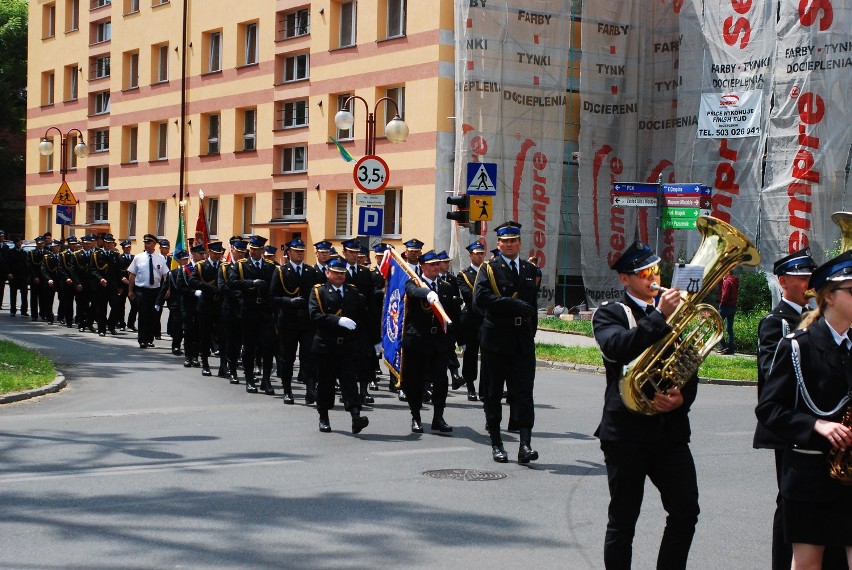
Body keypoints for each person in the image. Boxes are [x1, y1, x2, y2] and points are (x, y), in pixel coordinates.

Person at [591, 239, 699, 570]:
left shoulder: (675, 316)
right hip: (626, 433)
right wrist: (660, 318)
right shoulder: (611, 312)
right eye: (643, 273)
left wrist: (682, 399)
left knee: (685, 512)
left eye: (654, 270)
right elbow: (618, 348)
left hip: (669, 433)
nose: (653, 277)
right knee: (624, 520)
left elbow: (688, 366)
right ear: (625, 279)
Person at [756, 250, 852, 570]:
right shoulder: (798, 344)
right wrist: (816, 425)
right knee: (808, 564)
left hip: (849, 471)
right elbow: (769, 409)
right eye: (851, 290)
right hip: (810, 472)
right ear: (829, 296)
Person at [754, 248, 818, 570]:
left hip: (813, 421)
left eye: (810, 276)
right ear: (782, 281)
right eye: (801, 277)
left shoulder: (815, 317)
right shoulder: (776, 322)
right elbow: (772, 370)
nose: (809, 282)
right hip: (787, 424)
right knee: (788, 501)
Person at [472, 221, 541, 463]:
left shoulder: (530, 270)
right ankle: (497, 444)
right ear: (498, 244)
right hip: (496, 340)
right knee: (492, 394)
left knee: (524, 393)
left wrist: (530, 332)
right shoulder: (489, 268)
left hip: (522, 341)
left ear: (520, 243)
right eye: (505, 241)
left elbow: (532, 306)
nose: (509, 245)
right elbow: (480, 299)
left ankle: (525, 445)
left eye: (514, 241)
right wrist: (512, 304)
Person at [400, 250, 462, 434]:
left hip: (439, 342)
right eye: (432, 264)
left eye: (438, 264)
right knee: (415, 381)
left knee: (441, 381)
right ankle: (416, 416)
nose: (436, 267)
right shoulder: (414, 283)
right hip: (418, 340)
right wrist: (427, 293)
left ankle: (438, 417)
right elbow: (412, 291)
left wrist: (455, 340)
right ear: (423, 266)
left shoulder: (445, 286)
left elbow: (452, 316)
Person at [308, 257, 369, 434]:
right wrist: (337, 320)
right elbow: (314, 315)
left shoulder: (352, 291)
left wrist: (371, 341)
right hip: (326, 345)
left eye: (342, 274)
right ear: (328, 273)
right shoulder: (319, 291)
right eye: (335, 273)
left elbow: (361, 318)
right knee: (326, 383)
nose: (339, 276)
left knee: (349, 381)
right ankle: (324, 417)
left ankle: (356, 417)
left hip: (348, 346)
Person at [270, 238, 320, 404]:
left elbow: (316, 295)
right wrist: (288, 301)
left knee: (309, 356)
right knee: (287, 357)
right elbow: (273, 297)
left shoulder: (310, 271)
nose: (300, 253)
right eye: (296, 250)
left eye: (302, 250)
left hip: (307, 321)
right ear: (289, 252)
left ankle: (310, 389)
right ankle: (287, 390)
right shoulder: (281, 271)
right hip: (288, 321)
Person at [229, 235, 277, 393]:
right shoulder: (242, 265)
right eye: (252, 249)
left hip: (265, 311)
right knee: (249, 346)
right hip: (248, 310)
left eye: (257, 249)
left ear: (262, 250)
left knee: (268, 346)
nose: (253, 252)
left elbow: (274, 287)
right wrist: (251, 283)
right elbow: (233, 282)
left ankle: (266, 380)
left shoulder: (270, 267)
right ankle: (249, 379)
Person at [341, 238, 377, 405]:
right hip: (344, 320)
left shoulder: (364, 272)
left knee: (365, 357)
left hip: (363, 322)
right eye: (351, 252)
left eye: (356, 253)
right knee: (346, 359)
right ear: (344, 253)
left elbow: (371, 300)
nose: (354, 255)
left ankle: (364, 390)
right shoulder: (338, 271)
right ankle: (346, 391)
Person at [127, 234, 170, 349]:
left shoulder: (160, 258)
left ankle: (150, 339)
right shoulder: (138, 257)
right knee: (143, 315)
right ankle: (142, 340)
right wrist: (130, 290)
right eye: (145, 243)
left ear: (154, 244)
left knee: (153, 315)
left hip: (155, 290)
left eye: (148, 243)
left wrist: (168, 289)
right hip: (141, 289)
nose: (146, 245)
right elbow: (132, 274)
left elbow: (166, 275)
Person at [456, 241, 486, 401]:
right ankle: (470, 386)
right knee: (471, 355)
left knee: (488, 355)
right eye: (477, 253)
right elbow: (468, 296)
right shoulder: (464, 275)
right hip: (471, 318)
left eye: (481, 253)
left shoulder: (489, 272)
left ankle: (485, 388)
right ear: (471, 255)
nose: (480, 256)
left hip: (487, 318)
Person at [190, 241, 226, 377]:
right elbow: (192, 281)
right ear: (209, 253)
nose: (218, 256)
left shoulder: (224, 266)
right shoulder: (201, 266)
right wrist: (210, 288)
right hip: (206, 305)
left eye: (219, 254)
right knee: (204, 336)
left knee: (223, 336)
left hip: (220, 305)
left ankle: (224, 365)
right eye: (215, 254)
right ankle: (205, 364)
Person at [89, 234, 121, 336]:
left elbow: (118, 272)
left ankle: (111, 326)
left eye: (111, 243)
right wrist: (100, 278)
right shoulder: (96, 254)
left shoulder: (115, 254)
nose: (109, 245)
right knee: (101, 308)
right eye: (107, 243)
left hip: (112, 285)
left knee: (116, 306)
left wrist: (119, 286)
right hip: (101, 286)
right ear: (103, 242)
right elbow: (93, 269)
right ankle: (101, 329)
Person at [716, 269, 739, 355]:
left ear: (728, 272)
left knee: (716, 325)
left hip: (725, 307)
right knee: (729, 329)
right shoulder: (734, 281)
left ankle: (724, 346)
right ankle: (731, 349)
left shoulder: (727, 282)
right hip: (732, 307)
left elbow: (725, 296)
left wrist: (721, 305)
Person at [6, 236, 28, 317]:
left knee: (24, 293)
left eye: (21, 242)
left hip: (22, 276)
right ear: (15, 243)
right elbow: (7, 264)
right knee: (13, 293)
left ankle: (24, 310)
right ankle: (13, 310)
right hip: (13, 275)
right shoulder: (10, 252)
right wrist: (9, 273)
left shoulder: (24, 253)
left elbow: (26, 265)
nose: (20, 244)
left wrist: (27, 275)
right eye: (18, 242)